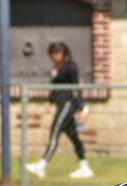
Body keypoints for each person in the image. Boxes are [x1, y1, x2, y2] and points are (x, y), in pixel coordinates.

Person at [27, 42, 93, 179]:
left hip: (68, 104)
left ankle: (42, 165)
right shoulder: (56, 68)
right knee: (74, 137)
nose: (54, 57)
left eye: (57, 53)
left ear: (63, 53)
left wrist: (83, 108)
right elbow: (55, 87)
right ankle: (84, 167)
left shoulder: (71, 67)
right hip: (60, 103)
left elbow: (76, 88)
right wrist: (49, 101)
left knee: (55, 131)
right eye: (52, 54)